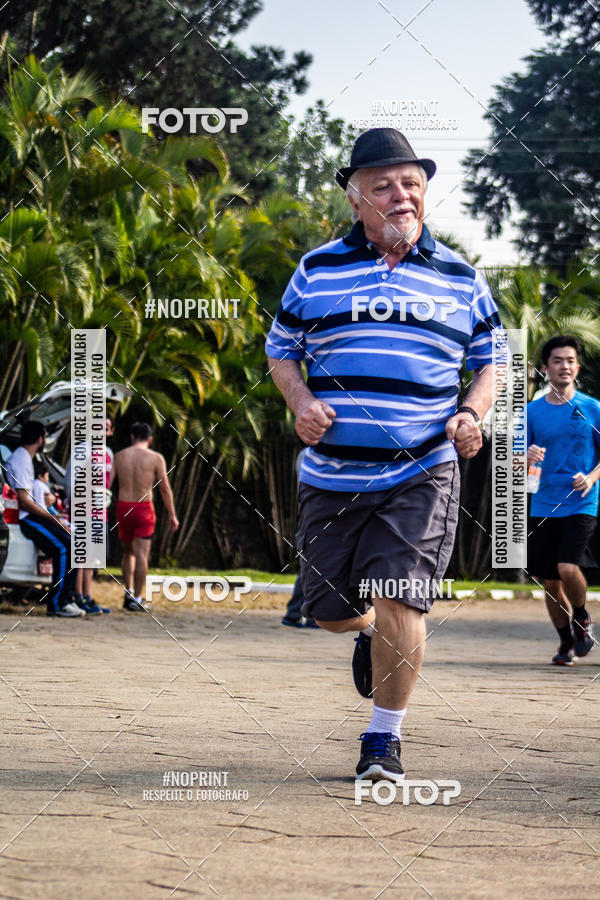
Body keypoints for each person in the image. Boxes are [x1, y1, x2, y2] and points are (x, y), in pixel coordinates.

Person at [266, 127, 505, 783]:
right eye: (384, 186)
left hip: (422, 468)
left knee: (403, 598)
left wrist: (471, 413)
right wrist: (300, 401)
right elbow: (280, 348)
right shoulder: (316, 270)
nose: (401, 196)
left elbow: (492, 359)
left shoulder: (460, 276)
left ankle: (382, 740)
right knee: (331, 612)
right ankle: (370, 636)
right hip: (331, 473)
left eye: (411, 184)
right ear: (356, 200)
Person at [527, 335, 598, 665]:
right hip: (543, 503)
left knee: (568, 567)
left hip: (582, 501)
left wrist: (592, 477)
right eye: (557, 360)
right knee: (550, 582)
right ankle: (566, 643)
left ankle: (581, 617)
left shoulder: (592, 408)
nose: (564, 366)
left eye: (570, 360)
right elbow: (512, 461)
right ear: (546, 368)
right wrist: (525, 455)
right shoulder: (532, 412)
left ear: (577, 367)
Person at [4, 420, 82, 617]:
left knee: (71, 544)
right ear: (40, 439)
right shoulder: (21, 460)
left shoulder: (23, 458)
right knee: (65, 547)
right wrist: (51, 517)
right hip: (27, 518)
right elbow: (24, 500)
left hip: (33, 516)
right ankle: (58, 603)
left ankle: (66, 600)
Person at [109, 422, 179, 610]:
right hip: (143, 509)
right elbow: (164, 488)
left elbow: (107, 485)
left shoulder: (118, 456)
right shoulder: (156, 458)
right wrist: (172, 514)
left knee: (127, 552)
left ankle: (128, 591)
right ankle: (137, 599)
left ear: (132, 436)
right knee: (141, 555)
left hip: (123, 508)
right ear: (150, 439)